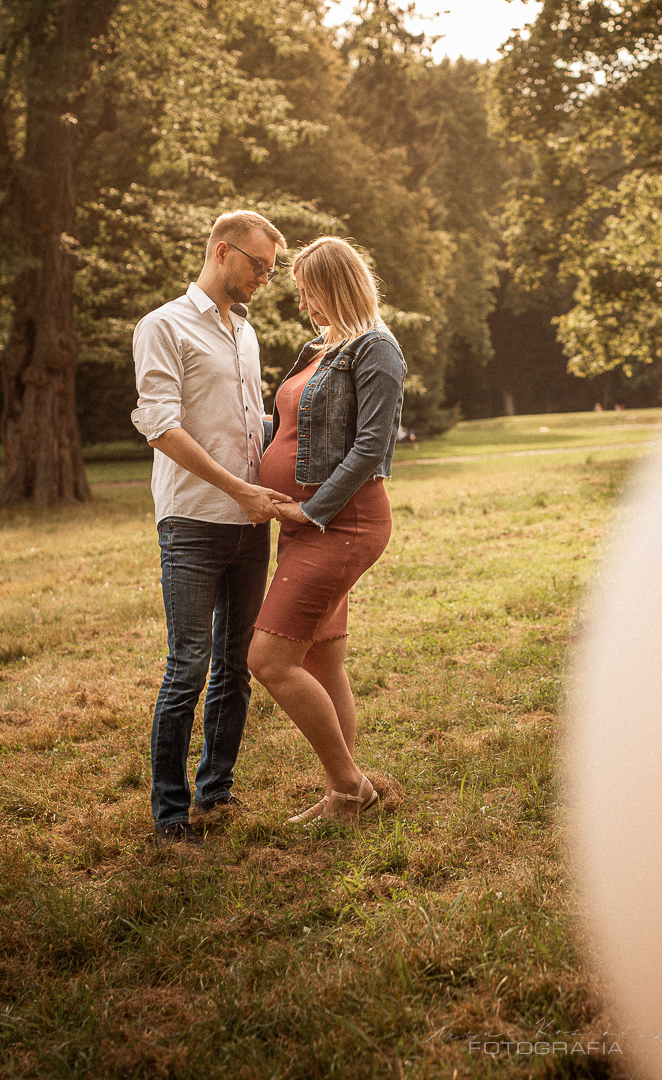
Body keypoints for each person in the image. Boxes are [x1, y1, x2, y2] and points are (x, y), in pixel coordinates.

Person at [130, 210, 291, 846]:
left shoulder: (246, 333)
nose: (264, 279)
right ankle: (170, 814)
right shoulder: (163, 326)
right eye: (258, 265)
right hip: (193, 521)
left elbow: (249, 427)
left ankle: (215, 791)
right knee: (188, 666)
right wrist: (239, 489)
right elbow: (159, 425)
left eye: (272, 271)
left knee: (235, 664)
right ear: (222, 251)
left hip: (251, 523)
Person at [247, 236, 405, 824]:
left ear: (335, 286)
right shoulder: (319, 350)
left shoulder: (376, 349)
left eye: (308, 292)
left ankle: (351, 788)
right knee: (321, 660)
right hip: (303, 522)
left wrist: (311, 510)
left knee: (269, 660)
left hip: (342, 523)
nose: (303, 305)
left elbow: (371, 446)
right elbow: (290, 429)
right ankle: (346, 795)